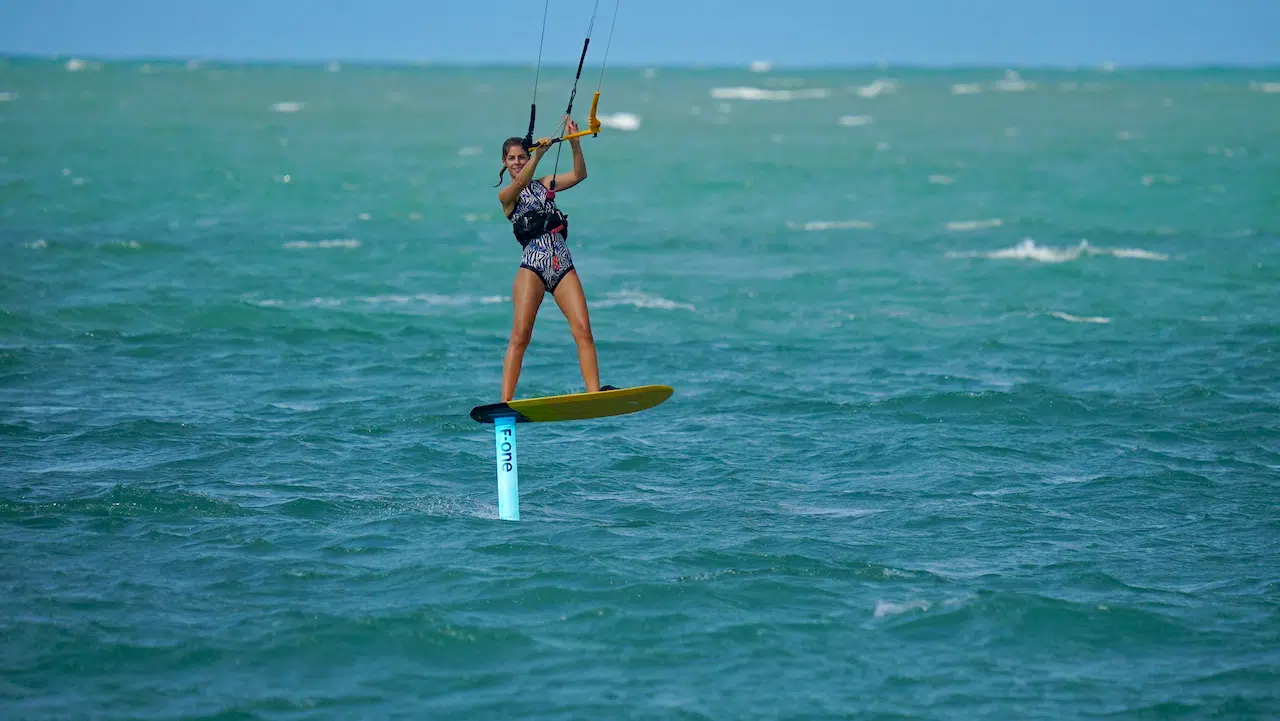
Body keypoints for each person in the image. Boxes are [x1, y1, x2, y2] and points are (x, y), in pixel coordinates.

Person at [495, 117, 612, 403]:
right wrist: (538, 156)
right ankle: (506, 401)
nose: (518, 162)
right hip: (532, 267)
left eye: (521, 156)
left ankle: (594, 393)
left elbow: (579, 174)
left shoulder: (546, 184)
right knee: (521, 336)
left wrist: (575, 144)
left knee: (583, 329)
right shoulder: (507, 196)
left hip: (561, 263)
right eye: (512, 158)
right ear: (504, 162)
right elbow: (521, 182)